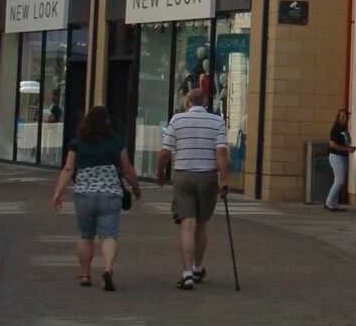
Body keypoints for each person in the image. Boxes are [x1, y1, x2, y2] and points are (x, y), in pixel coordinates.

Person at [51, 106, 140, 290]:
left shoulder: (77, 143)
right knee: (108, 236)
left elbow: (68, 169)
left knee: (85, 236)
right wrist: (136, 188)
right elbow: (127, 169)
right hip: (110, 195)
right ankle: (107, 268)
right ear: (106, 122)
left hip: (84, 195)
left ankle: (85, 275)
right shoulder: (116, 142)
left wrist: (58, 192)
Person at [157, 88, 230, 290]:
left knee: (187, 226)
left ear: (187, 102)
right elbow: (221, 151)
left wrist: (160, 172)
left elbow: (165, 152)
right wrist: (223, 179)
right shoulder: (217, 121)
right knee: (202, 224)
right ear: (205, 102)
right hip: (207, 177)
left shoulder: (177, 120)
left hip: (183, 175)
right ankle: (198, 267)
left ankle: (187, 273)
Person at [326, 108, 355, 211]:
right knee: (340, 180)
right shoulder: (336, 129)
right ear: (338, 117)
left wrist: (349, 148)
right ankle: (329, 201)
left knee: (338, 179)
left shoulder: (344, 129)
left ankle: (334, 202)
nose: (345, 118)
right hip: (336, 155)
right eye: (342, 116)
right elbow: (332, 144)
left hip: (342, 156)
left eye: (346, 116)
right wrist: (346, 149)